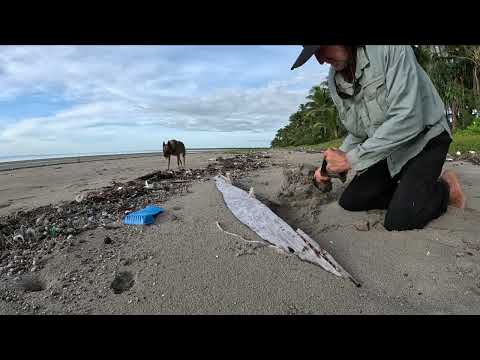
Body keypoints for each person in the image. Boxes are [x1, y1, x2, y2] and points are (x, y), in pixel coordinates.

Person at [290, 45, 465, 231]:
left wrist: (350, 159)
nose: (320, 60)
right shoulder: (335, 80)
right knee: (351, 200)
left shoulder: (390, 49)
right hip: (389, 148)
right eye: (314, 54)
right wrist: (330, 164)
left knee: (400, 220)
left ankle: (447, 188)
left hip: (426, 138)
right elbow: (359, 132)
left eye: (321, 48)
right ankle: (409, 191)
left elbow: (408, 117)